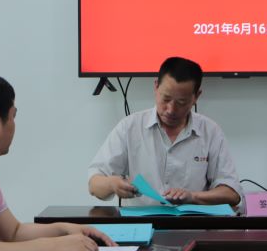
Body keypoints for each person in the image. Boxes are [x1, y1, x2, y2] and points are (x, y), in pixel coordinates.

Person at [0, 71, 115, 251]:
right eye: (13, 116)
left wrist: (64, 230)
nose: (14, 124)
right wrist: (56, 246)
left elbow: (13, 232)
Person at [88, 57, 242, 206]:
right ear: (156, 87)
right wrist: (112, 184)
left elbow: (232, 194)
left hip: (192, 222)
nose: (171, 110)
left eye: (181, 102)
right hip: (141, 222)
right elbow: (94, 184)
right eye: (166, 99)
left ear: (196, 97)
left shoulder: (210, 131)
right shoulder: (129, 127)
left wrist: (193, 197)